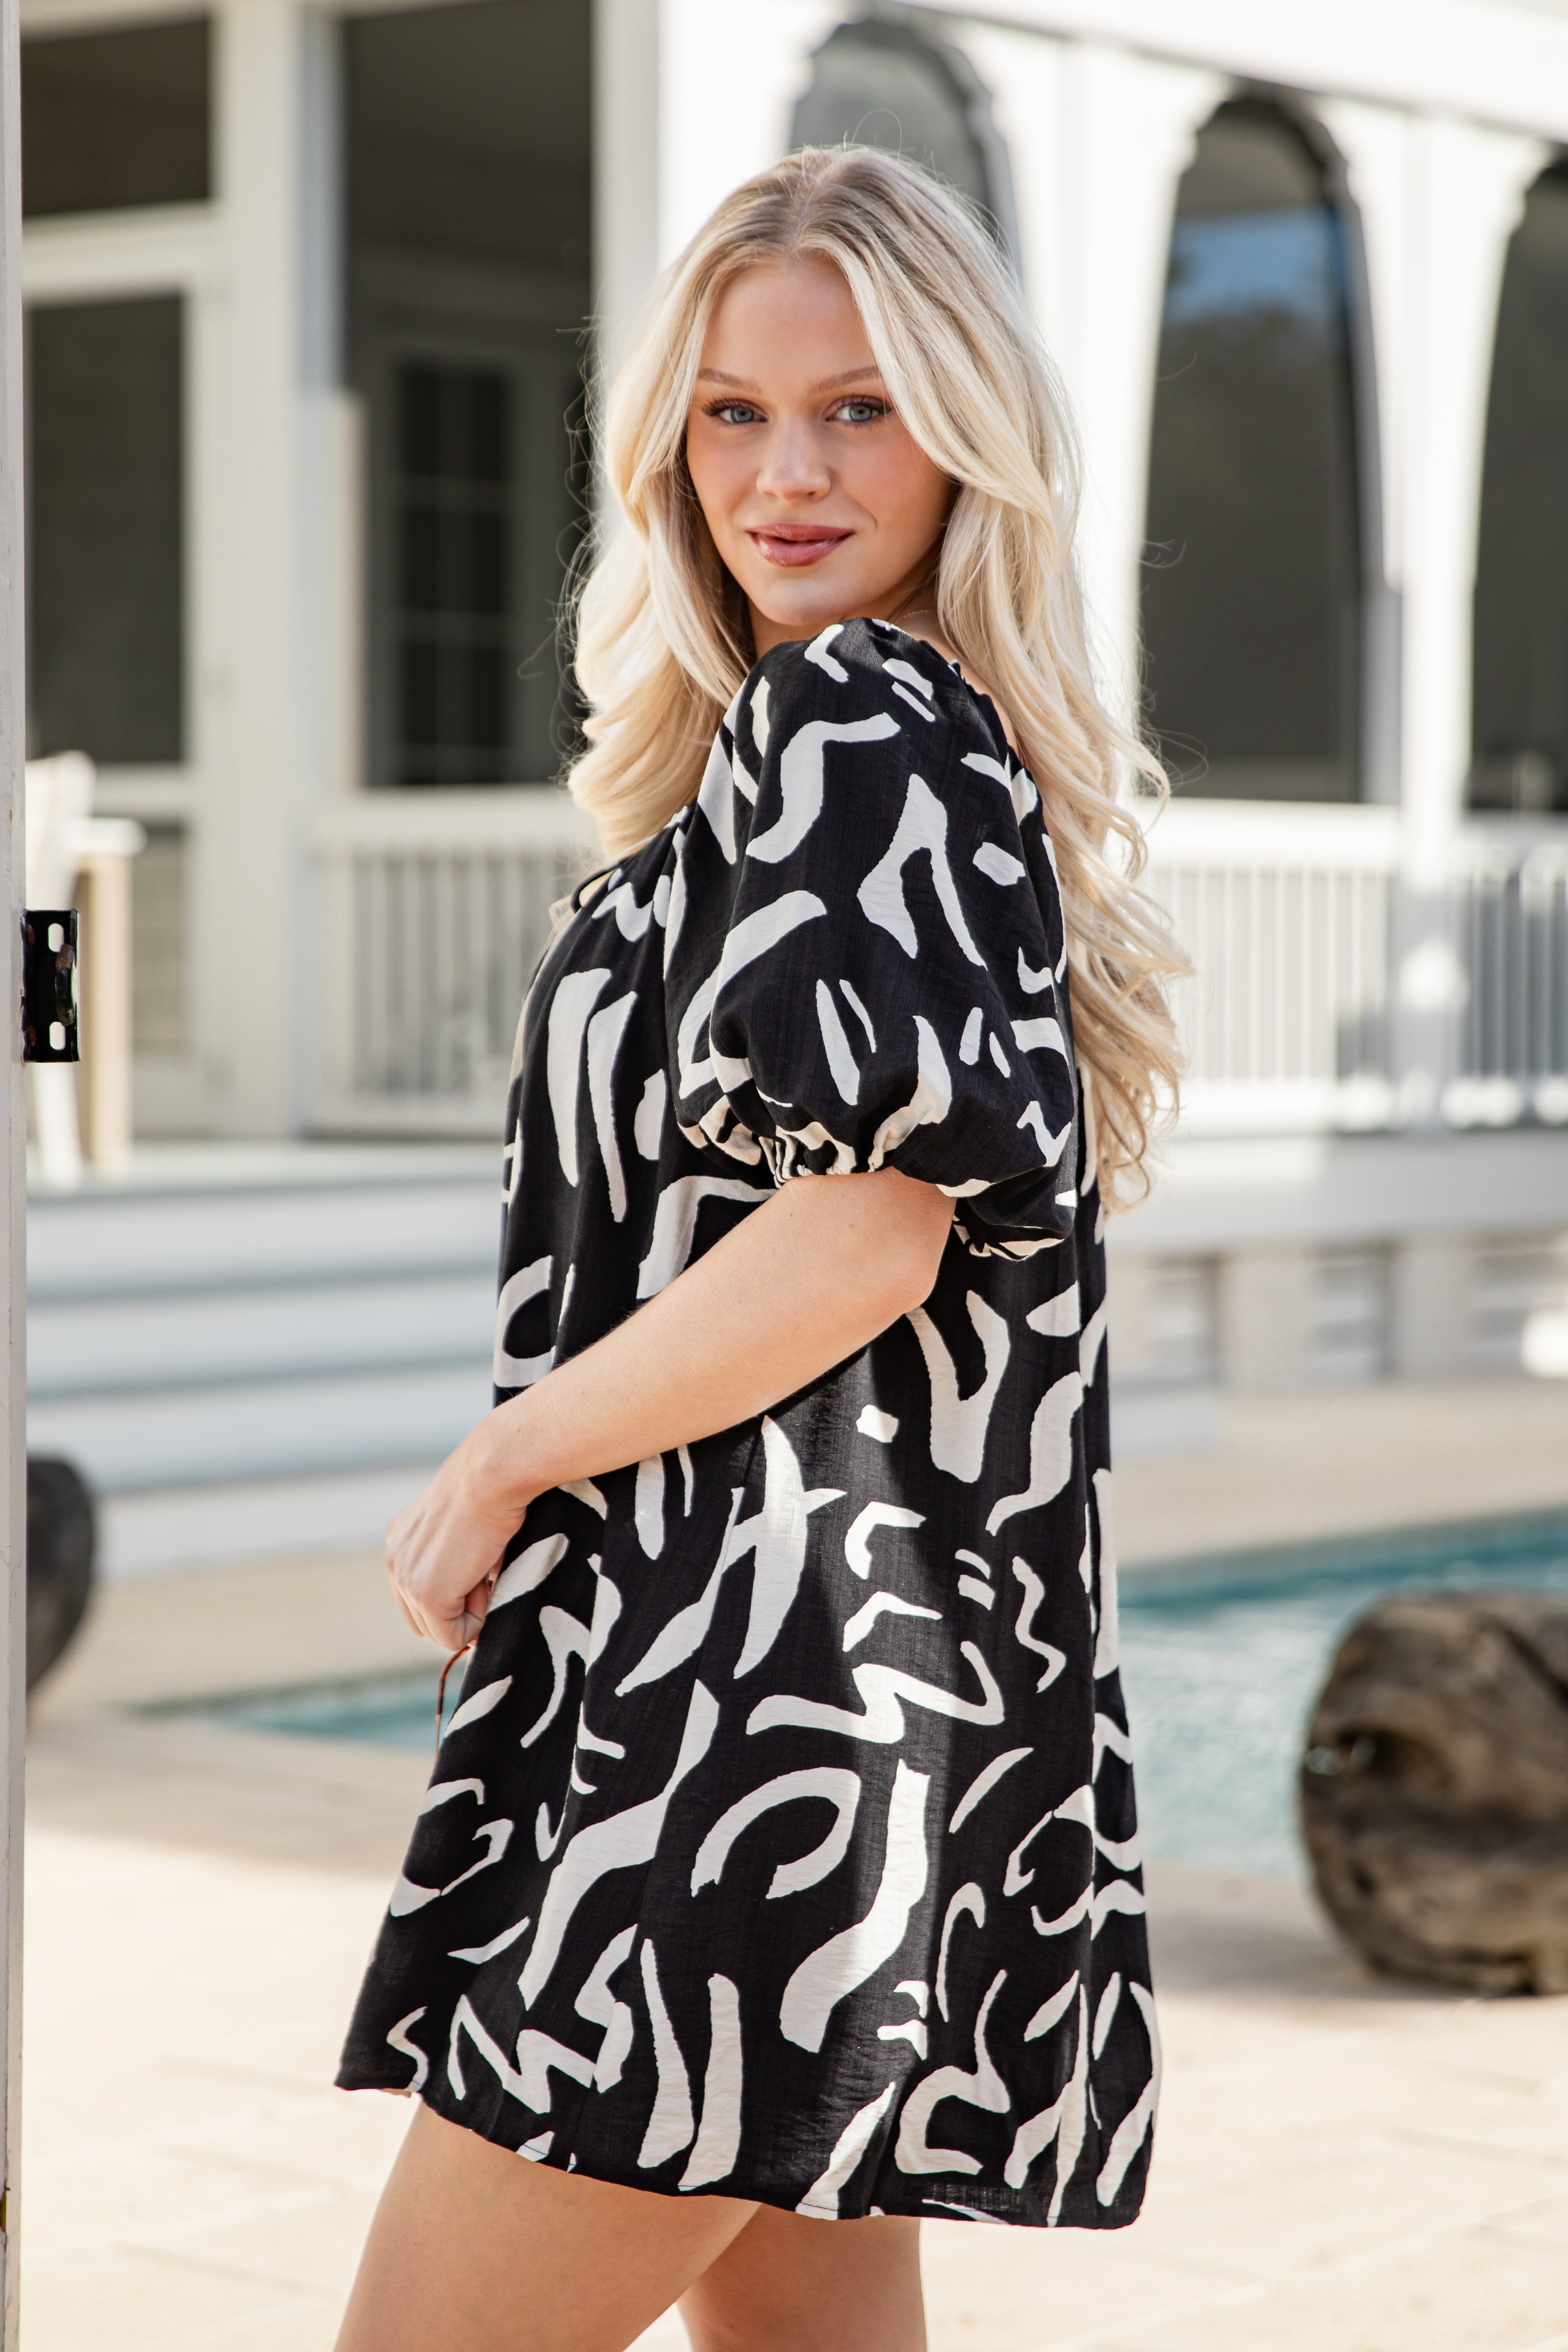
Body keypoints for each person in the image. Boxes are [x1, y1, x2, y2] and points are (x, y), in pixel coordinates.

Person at [335, 145, 1182, 2352]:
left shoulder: (856, 715)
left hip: (731, 1746)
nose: (783, 474)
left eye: (856, 408)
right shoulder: (872, 733)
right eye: (731, 412)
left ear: (964, 431)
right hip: (840, 1729)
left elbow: (860, 1236)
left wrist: (505, 1456)